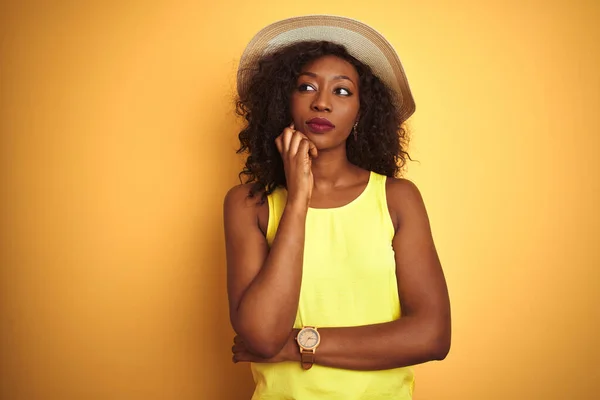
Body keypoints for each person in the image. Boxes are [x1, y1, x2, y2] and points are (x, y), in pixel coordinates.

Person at [224, 15, 451, 400]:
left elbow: (432, 336)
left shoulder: (397, 198)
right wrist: (297, 200)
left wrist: (296, 344)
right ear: (284, 102)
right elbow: (261, 336)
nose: (322, 102)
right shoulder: (249, 204)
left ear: (362, 112)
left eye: (342, 91)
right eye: (306, 86)